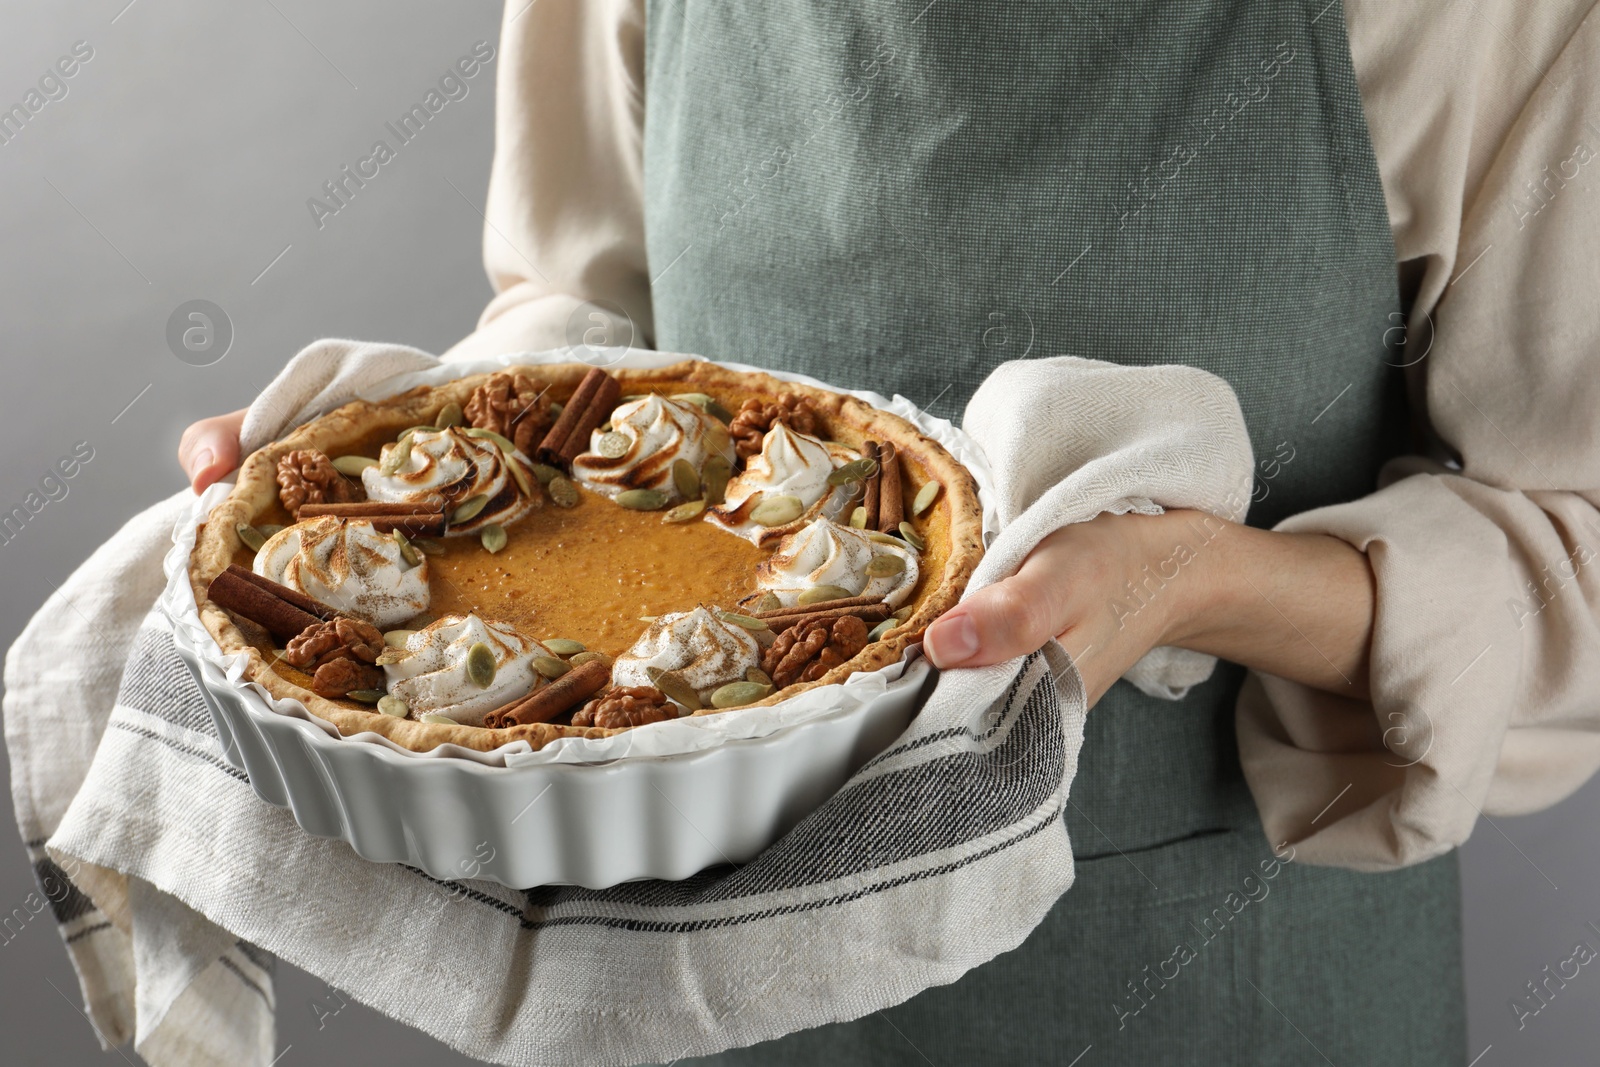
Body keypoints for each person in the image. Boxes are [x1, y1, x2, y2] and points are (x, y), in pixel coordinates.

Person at [178, 1, 1600, 1061]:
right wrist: (414, 472)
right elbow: (582, 345)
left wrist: (1194, 582)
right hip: (690, 981)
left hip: (1226, 974)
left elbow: (1573, 558)